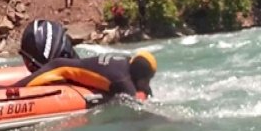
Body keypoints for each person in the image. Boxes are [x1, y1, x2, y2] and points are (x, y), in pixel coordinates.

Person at [12, 51, 157, 102]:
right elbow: (134, 105)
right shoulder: (122, 81)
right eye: (147, 79)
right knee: (17, 88)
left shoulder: (127, 63)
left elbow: (144, 88)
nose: (147, 83)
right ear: (140, 76)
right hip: (58, 68)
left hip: (68, 67)